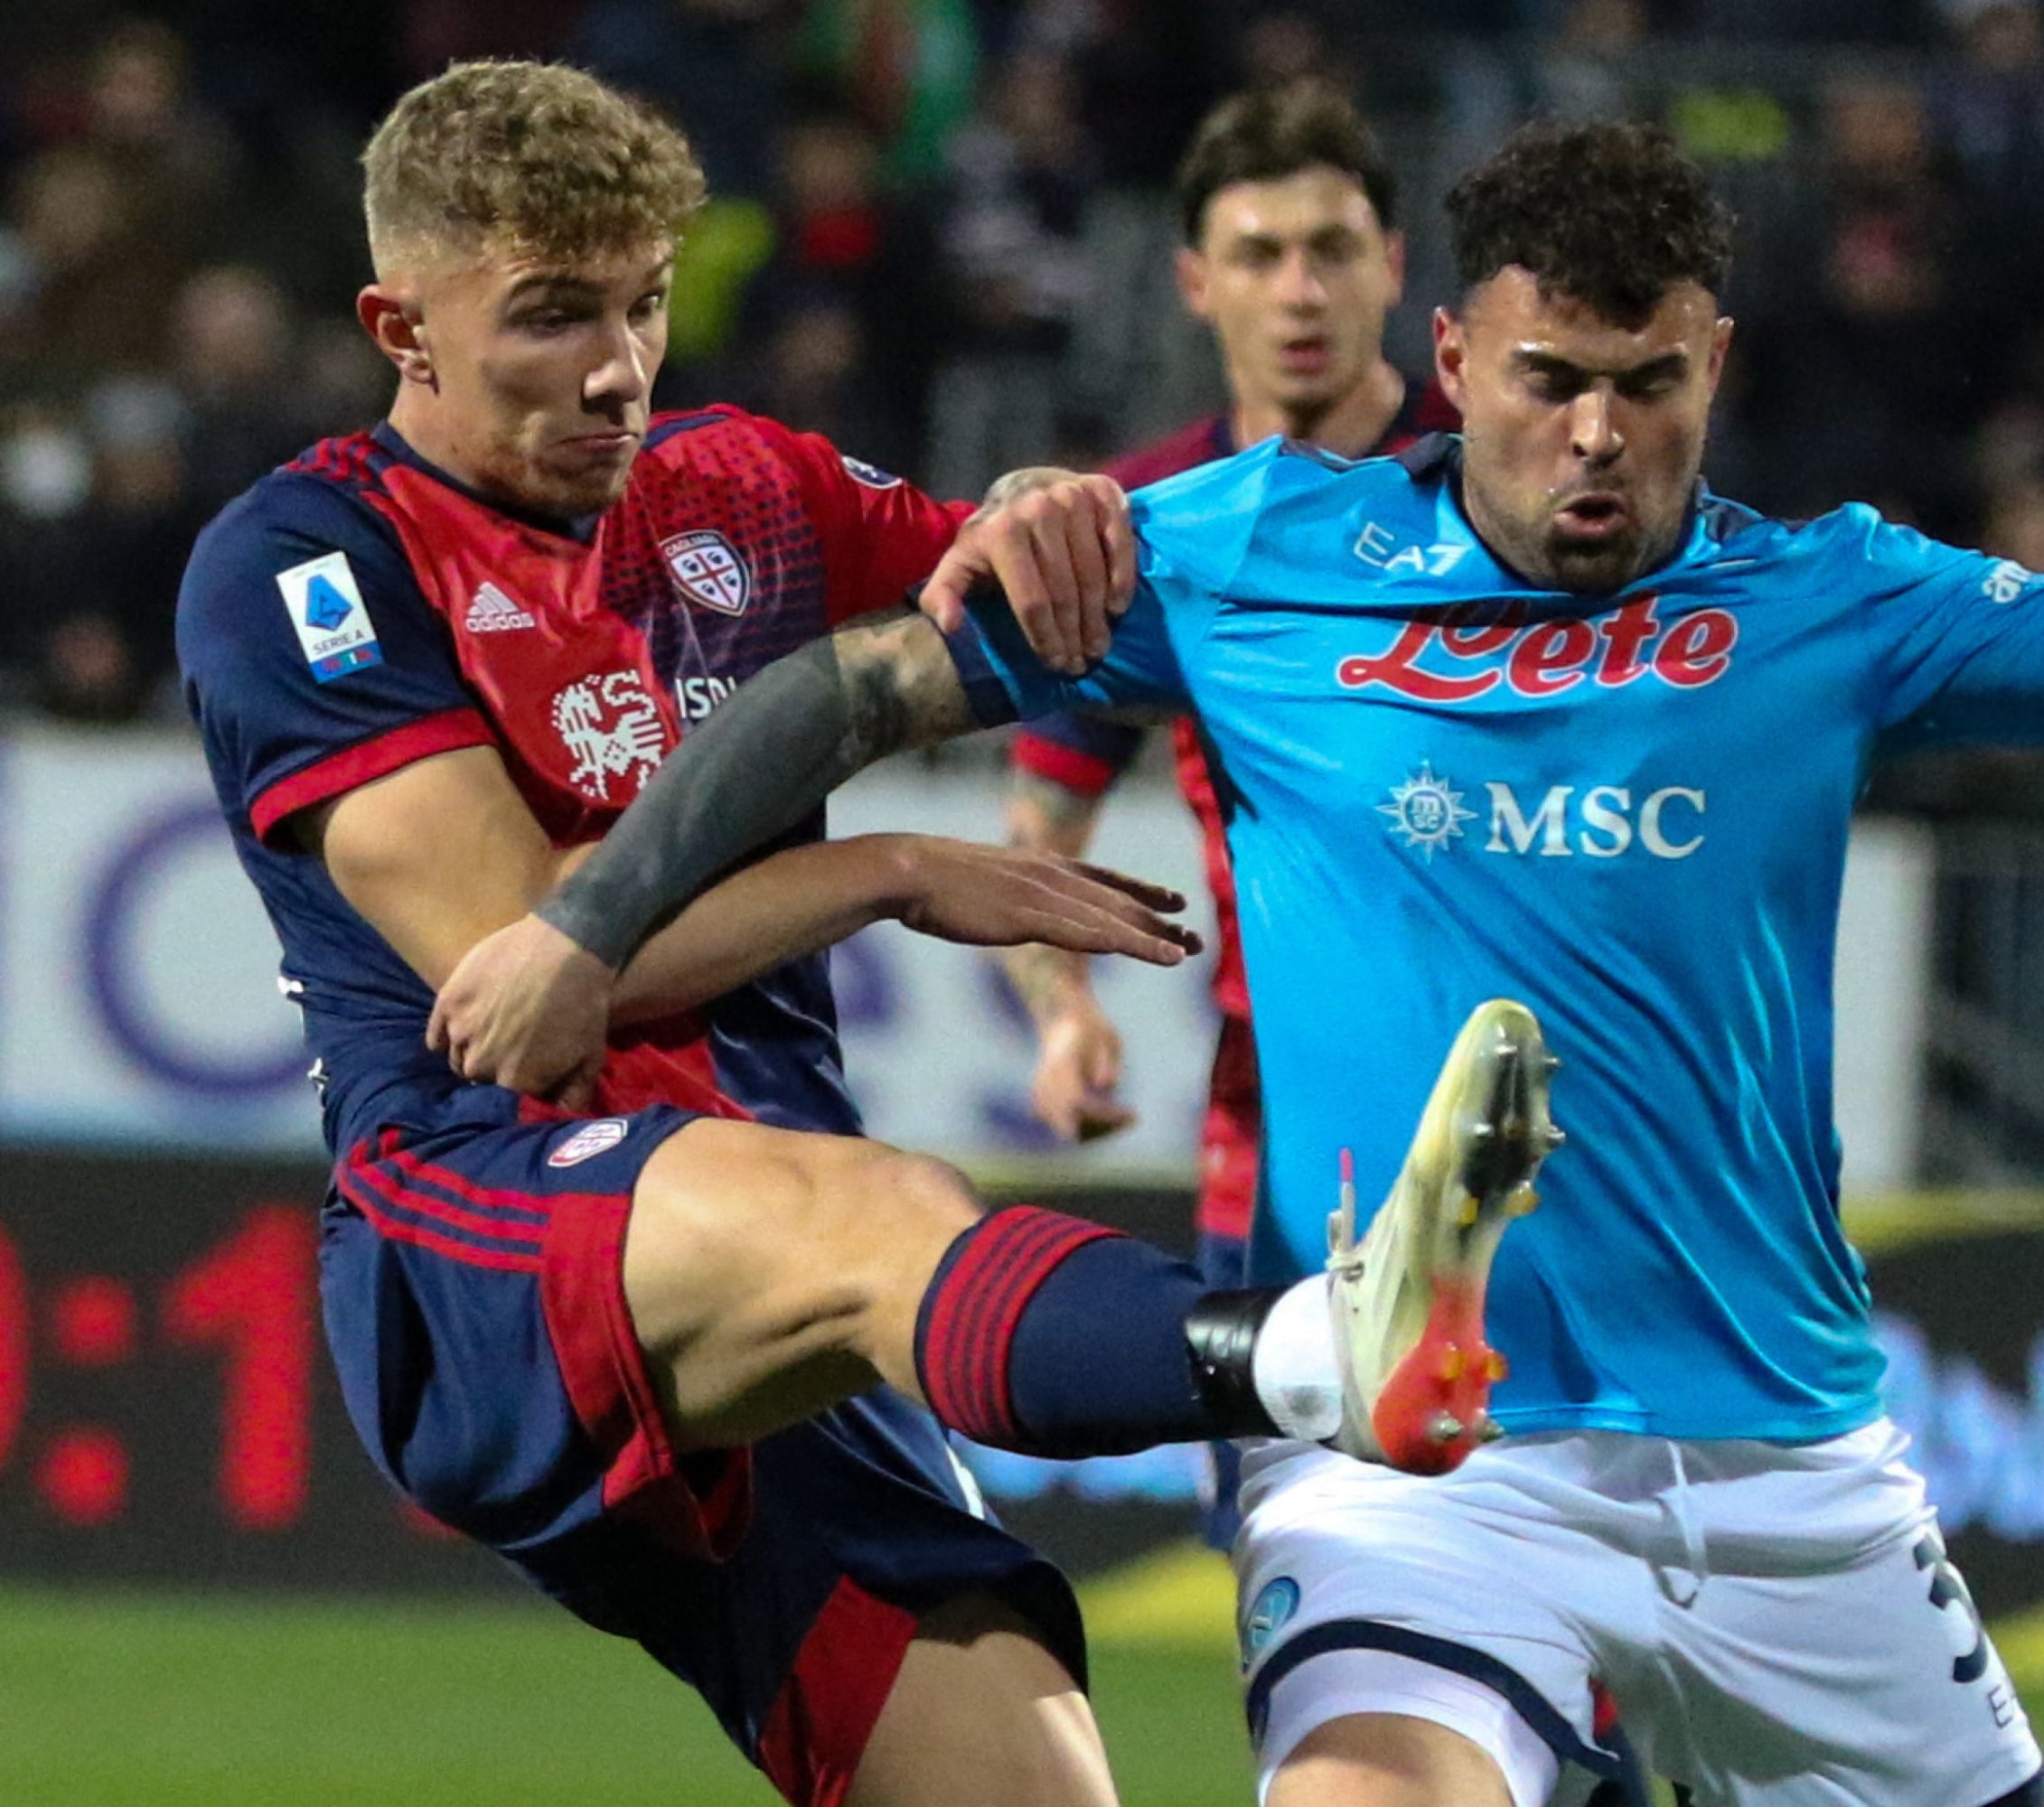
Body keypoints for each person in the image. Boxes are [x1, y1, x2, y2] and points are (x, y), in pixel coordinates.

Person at [431, 122, 2044, 1807]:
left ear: (1719, 371)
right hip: (1432, 1466)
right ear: (1455, 360)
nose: (1599, 438)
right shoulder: (1238, 555)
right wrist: (584, 921)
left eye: (1652, 389)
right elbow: (840, 697)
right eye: (1553, 382)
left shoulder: (1841, 598)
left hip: (1795, 1472)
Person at [173, 61, 1555, 1807]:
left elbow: (1024, 585)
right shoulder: (308, 559)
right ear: (402, 325)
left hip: (783, 1282)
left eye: (645, 303)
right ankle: (1324, 1355)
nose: (615, 365)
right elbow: (522, 974)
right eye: (548, 318)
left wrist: (1057, 508)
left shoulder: (742, 486)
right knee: (881, 1213)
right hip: (482, 1224)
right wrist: (890, 867)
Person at [1000, 79, 1457, 1540]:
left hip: (1535, 1119)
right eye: (1259, 254)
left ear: (1395, 263)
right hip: (1281, 1143)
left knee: (1587, 1640)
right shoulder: (1141, 537)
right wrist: (1062, 1009)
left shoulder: (1517, 485)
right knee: (1306, 1576)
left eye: (1333, 247)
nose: (1301, 290)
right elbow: (1037, 835)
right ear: (1196, 281)